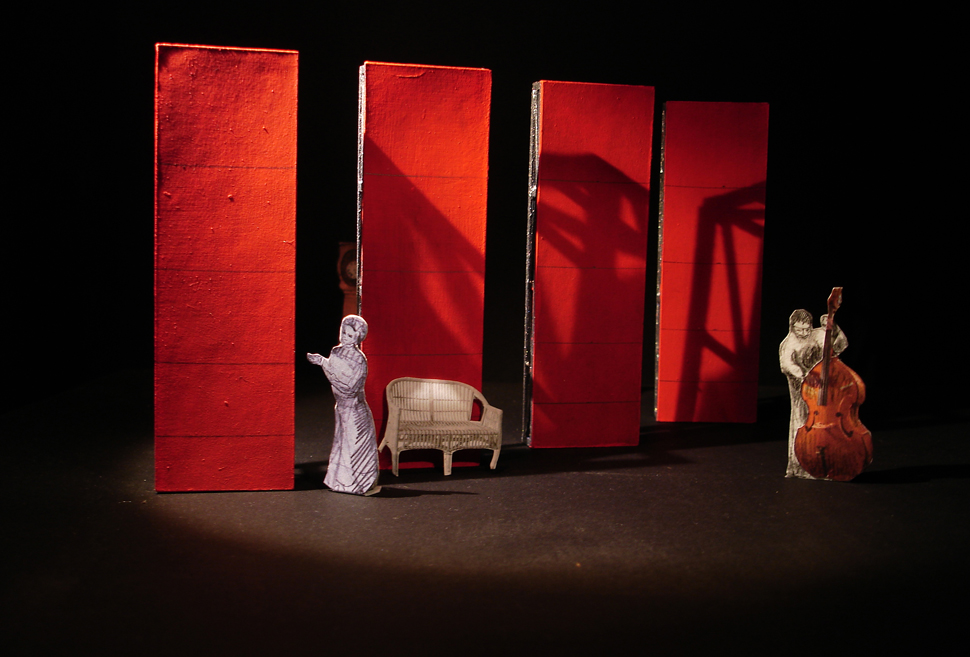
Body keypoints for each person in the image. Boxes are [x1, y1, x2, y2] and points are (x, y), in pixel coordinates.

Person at [307, 315, 380, 495]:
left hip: (355, 411)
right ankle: (340, 482)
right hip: (341, 408)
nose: (344, 337)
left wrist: (323, 364)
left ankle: (359, 484)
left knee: (354, 447)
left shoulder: (359, 360)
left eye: (349, 335)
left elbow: (351, 387)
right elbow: (333, 371)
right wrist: (323, 362)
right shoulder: (336, 351)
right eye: (343, 333)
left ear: (358, 338)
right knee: (341, 446)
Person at [779, 309, 847, 478]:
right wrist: (805, 375)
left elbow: (840, 345)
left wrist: (834, 328)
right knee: (802, 424)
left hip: (823, 389)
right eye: (799, 330)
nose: (804, 333)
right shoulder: (788, 344)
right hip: (801, 392)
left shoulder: (817, 335)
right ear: (792, 328)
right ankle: (800, 466)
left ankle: (826, 464)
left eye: (807, 329)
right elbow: (786, 365)